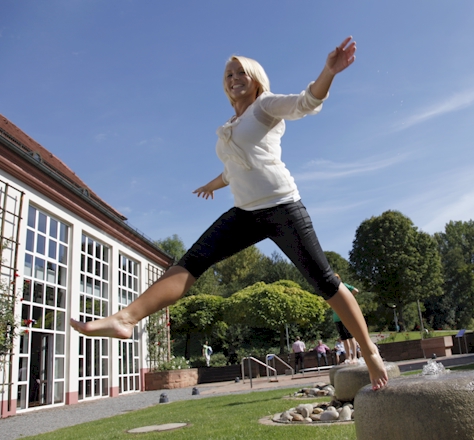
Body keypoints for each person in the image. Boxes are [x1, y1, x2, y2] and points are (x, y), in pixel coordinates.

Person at [69, 36, 387, 391]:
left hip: (282, 206)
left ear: (255, 80)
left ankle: (370, 351)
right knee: (189, 263)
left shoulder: (264, 106)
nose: (234, 78)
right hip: (245, 212)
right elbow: (232, 170)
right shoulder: (232, 125)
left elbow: (306, 101)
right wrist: (212, 185)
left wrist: (328, 72)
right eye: (229, 74)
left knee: (324, 280)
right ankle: (125, 319)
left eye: (241, 73)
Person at [333, 273, 359, 363]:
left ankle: (355, 356)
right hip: (337, 317)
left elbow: (356, 290)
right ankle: (348, 357)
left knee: (351, 337)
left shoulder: (343, 286)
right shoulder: (331, 290)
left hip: (346, 315)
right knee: (344, 339)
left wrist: (348, 298)